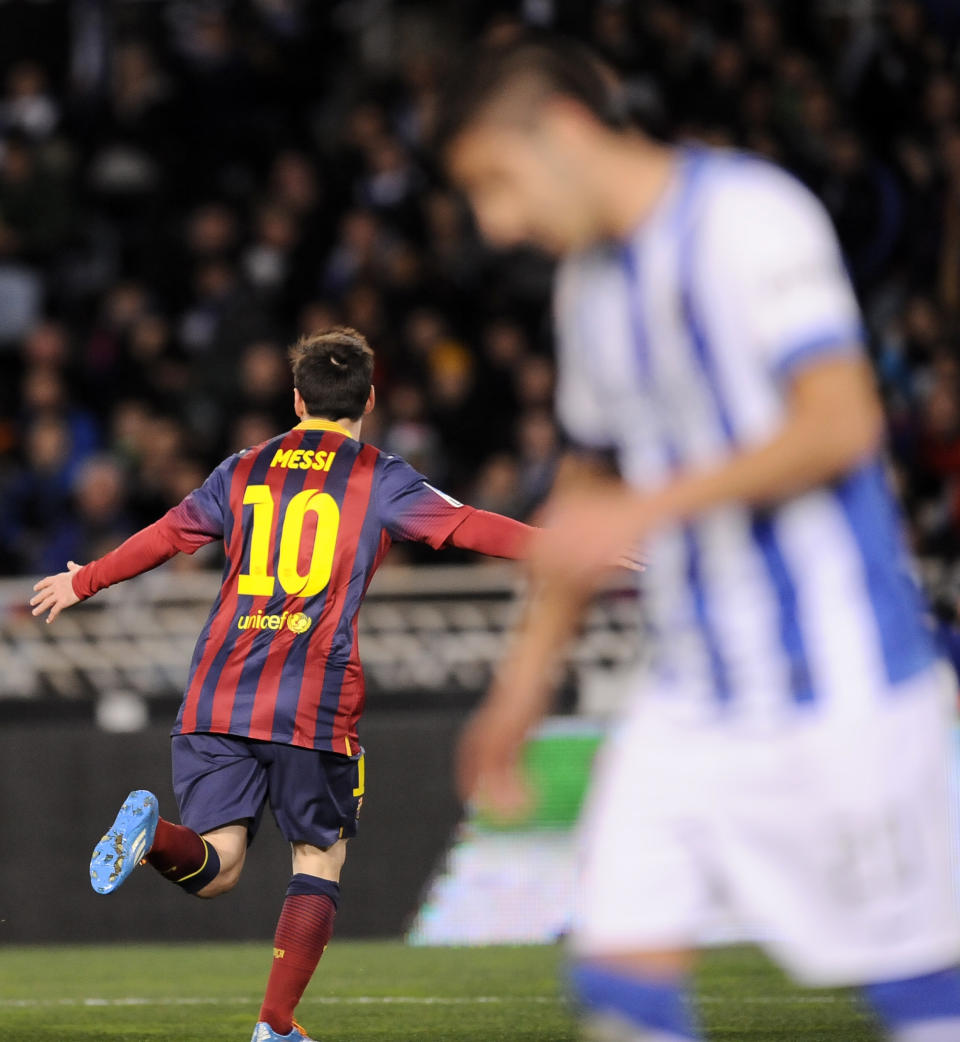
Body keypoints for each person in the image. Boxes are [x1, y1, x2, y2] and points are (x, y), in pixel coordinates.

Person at [439, 38, 960, 1042]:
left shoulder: (748, 218)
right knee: (622, 994)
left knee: (924, 1004)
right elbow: (588, 488)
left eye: (497, 183)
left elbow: (841, 421)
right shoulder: (586, 289)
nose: (497, 223)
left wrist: (648, 508)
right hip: (689, 696)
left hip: (840, 682)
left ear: (564, 129)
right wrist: (521, 686)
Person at [30, 326, 532, 1042]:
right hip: (310, 700)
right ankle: (275, 1024)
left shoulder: (241, 469)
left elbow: (170, 534)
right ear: (369, 399)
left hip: (216, 691)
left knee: (219, 864)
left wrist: (84, 578)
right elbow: (470, 527)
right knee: (319, 856)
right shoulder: (379, 475)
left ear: (297, 398)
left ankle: (151, 842)